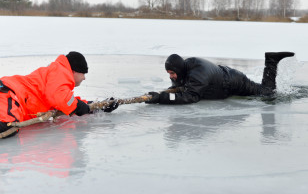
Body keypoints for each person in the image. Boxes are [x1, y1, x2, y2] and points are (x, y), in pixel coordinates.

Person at [0, 51, 118, 138]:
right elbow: (60, 98)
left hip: (10, 95)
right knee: (8, 126)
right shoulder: (60, 71)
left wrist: (97, 106)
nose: (84, 78)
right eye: (83, 73)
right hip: (8, 93)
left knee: (9, 127)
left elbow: (66, 100)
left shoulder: (57, 79)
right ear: (74, 71)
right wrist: (78, 106)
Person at [146, 52, 294, 104]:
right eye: (169, 74)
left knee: (267, 93)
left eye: (172, 73)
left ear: (178, 69)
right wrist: (162, 94)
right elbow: (180, 89)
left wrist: (162, 98)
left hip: (233, 82)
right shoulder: (182, 70)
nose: (171, 77)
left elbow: (190, 97)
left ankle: (271, 60)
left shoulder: (197, 73)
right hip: (223, 78)